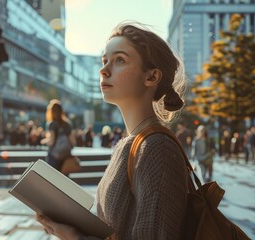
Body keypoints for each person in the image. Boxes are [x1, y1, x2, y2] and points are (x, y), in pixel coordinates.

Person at [37, 22, 188, 239]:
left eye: (119, 60)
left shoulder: (157, 149)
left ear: (152, 77)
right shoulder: (129, 144)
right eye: (104, 60)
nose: (104, 69)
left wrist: (75, 237)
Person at [44, 99, 75, 171]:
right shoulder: (67, 124)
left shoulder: (52, 124)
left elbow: (51, 141)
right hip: (66, 156)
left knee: (52, 178)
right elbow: (73, 142)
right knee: (64, 179)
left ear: (51, 111)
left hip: (54, 156)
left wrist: (45, 141)